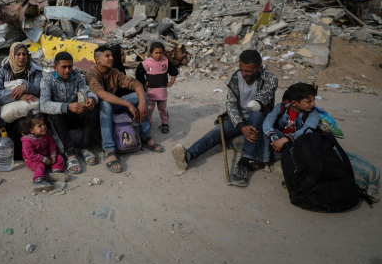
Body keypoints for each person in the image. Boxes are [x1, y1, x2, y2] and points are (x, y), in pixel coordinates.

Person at [177, 50, 278, 187]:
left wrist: (249, 120)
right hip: (238, 118)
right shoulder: (235, 78)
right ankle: (189, 155)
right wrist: (241, 126)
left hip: (259, 119)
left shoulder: (270, 79)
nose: (244, 74)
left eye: (248, 71)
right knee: (217, 132)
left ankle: (243, 163)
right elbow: (230, 104)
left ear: (259, 68)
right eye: (241, 70)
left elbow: (263, 98)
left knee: (256, 114)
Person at [86, 46, 164, 174]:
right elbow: (102, 94)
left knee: (140, 94)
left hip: (114, 106)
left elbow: (136, 84)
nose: (111, 58)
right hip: (97, 111)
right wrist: (128, 105)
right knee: (105, 103)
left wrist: (143, 102)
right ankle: (109, 150)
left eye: (111, 55)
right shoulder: (91, 74)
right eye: (107, 56)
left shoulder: (114, 72)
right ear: (97, 60)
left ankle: (145, 137)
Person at [40, 51, 99, 174]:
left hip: (73, 115)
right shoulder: (47, 80)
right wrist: (66, 107)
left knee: (93, 109)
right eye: (63, 67)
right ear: (55, 68)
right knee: (54, 116)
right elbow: (44, 105)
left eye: (70, 66)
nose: (67, 70)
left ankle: (84, 147)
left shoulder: (76, 76)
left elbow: (87, 91)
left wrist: (91, 99)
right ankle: (70, 154)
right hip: (58, 118)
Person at [0, 42, 42, 160]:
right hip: (10, 116)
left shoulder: (34, 71)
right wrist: (18, 95)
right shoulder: (2, 72)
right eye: (18, 54)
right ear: (12, 55)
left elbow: (41, 90)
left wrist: (26, 86)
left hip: (31, 114)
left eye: (24, 54)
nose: (21, 57)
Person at [135, 41, 179, 133]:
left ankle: (165, 123)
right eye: (156, 53)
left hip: (162, 92)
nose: (158, 55)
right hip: (150, 92)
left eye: (160, 53)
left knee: (162, 109)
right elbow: (138, 73)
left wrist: (171, 82)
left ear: (163, 53)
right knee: (149, 109)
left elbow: (174, 72)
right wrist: (144, 82)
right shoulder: (146, 63)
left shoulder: (166, 62)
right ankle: (148, 123)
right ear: (151, 53)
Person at [263, 83, 320, 153]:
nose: (314, 104)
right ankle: (265, 159)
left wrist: (285, 139)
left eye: (314, 100)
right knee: (265, 129)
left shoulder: (313, 113)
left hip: (297, 141)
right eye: (309, 102)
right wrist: (272, 135)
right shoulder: (281, 107)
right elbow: (269, 120)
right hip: (280, 138)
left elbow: (307, 129)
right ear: (294, 103)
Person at [20, 113, 68, 192]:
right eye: (40, 126)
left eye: (44, 124)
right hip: (32, 160)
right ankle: (38, 180)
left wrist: (53, 155)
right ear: (32, 130)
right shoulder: (27, 141)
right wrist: (44, 159)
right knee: (40, 165)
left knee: (59, 158)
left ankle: (56, 173)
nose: (43, 127)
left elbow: (51, 144)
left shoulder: (46, 134)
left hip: (46, 156)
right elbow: (30, 155)